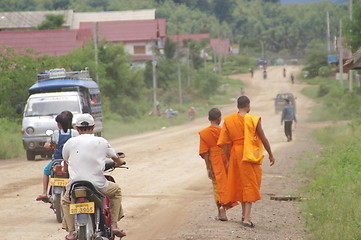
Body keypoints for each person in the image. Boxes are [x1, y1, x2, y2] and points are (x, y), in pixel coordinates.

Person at [61, 114, 126, 240]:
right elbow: (116, 158)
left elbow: (66, 162)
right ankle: (114, 225)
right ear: (93, 128)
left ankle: (71, 232)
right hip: (97, 184)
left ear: (77, 128)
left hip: (75, 184)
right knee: (116, 191)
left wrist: (65, 169)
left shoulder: (69, 143)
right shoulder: (101, 141)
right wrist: (119, 163)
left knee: (65, 201)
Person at [217, 96, 275, 228]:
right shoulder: (253, 119)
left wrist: (228, 158)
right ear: (248, 106)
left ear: (238, 106)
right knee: (249, 184)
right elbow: (263, 138)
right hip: (249, 154)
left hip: (235, 154)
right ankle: (247, 219)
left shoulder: (228, 120)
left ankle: (243, 214)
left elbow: (224, 143)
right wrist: (270, 154)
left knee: (241, 183)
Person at [198, 108, 237, 221]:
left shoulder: (204, 133)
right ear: (219, 118)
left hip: (214, 161)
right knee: (226, 184)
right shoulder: (224, 131)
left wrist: (208, 168)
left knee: (217, 185)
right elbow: (230, 146)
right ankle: (223, 208)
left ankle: (221, 209)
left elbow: (205, 153)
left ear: (209, 119)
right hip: (226, 159)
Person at [36, 111, 77, 202]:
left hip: (57, 161)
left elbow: (53, 146)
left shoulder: (56, 133)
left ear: (59, 124)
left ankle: (44, 192)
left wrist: (50, 147)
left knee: (46, 171)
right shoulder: (74, 133)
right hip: (71, 161)